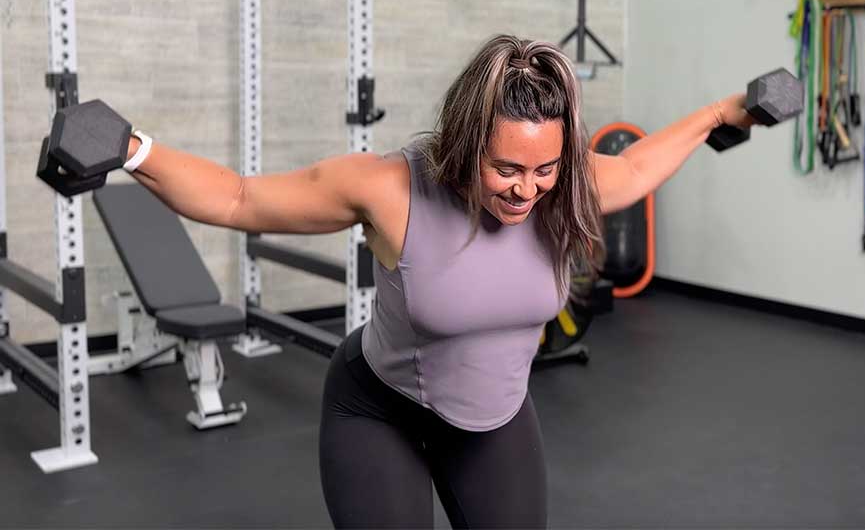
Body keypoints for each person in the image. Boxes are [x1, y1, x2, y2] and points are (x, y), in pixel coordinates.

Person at [123, 34, 754, 528]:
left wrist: (724, 112)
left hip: (497, 420)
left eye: (545, 169)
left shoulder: (567, 188)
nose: (526, 190)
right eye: (506, 167)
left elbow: (639, 165)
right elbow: (238, 199)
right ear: (466, 141)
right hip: (380, 413)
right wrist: (132, 149)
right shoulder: (391, 189)